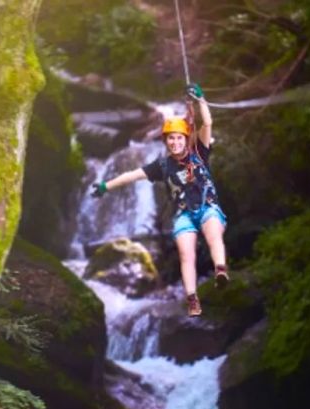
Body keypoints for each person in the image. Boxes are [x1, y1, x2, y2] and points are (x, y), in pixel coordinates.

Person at [90, 83, 228, 316]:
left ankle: (220, 270)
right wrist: (106, 185)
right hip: (184, 213)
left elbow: (208, 124)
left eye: (178, 138)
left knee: (213, 233)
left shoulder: (200, 152)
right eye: (170, 140)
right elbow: (132, 175)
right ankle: (192, 298)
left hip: (207, 207)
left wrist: (201, 100)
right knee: (186, 253)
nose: (175, 143)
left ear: (185, 138)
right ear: (166, 142)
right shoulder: (163, 166)